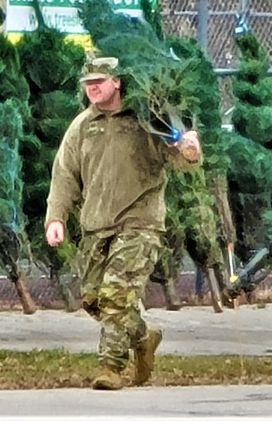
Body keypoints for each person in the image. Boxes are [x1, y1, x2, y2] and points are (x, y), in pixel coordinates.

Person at [44, 56, 203, 390]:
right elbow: (64, 175)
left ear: (117, 81)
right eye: (88, 83)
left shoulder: (146, 120)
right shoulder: (83, 126)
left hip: (139, 224)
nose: (93, 88)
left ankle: (111, 368)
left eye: (99, 81)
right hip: (96, 225)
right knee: (93, 299)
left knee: (116, 296)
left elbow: (180, 158)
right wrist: (56, 218)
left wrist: (189, 150)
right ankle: (144, 338)